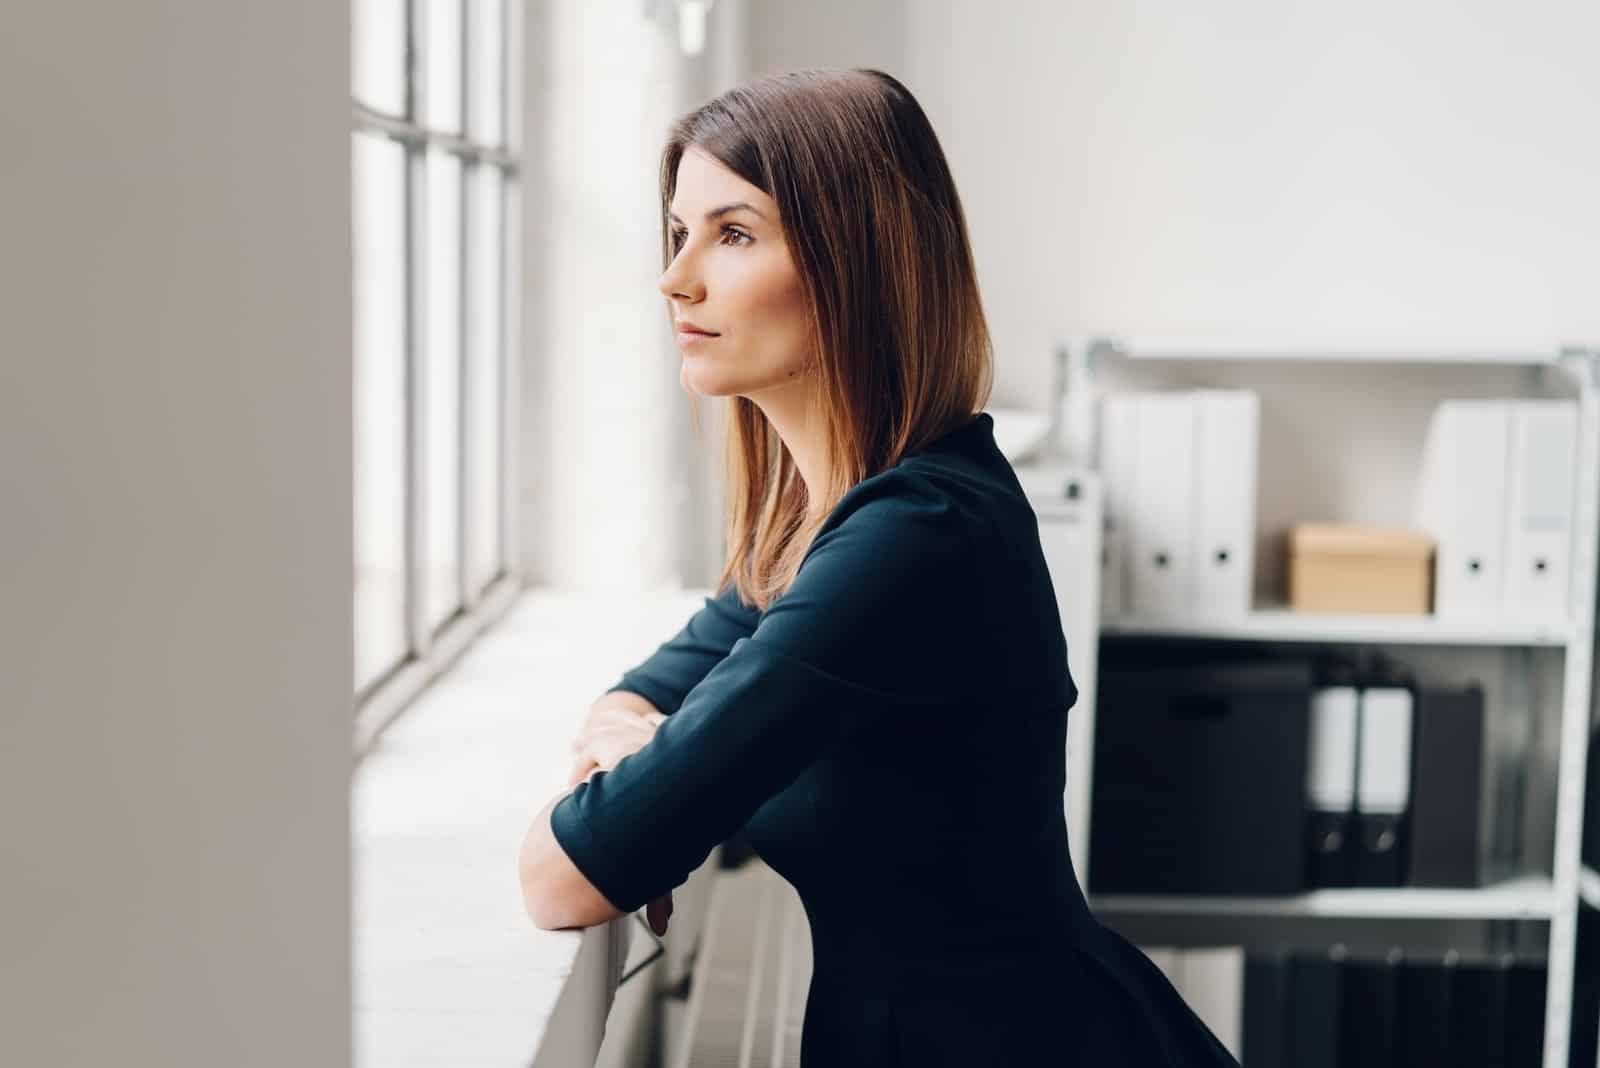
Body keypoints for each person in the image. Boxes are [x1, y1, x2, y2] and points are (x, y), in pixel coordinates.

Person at [518, 67, 1241, 1067]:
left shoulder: (912, 539)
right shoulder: (824, 521)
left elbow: (559, 878)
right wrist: (640, 751)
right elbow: (644, 690)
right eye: (679, 232)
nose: (675, 278)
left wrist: (641, 780)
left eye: (734, 234)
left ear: (856, 263)